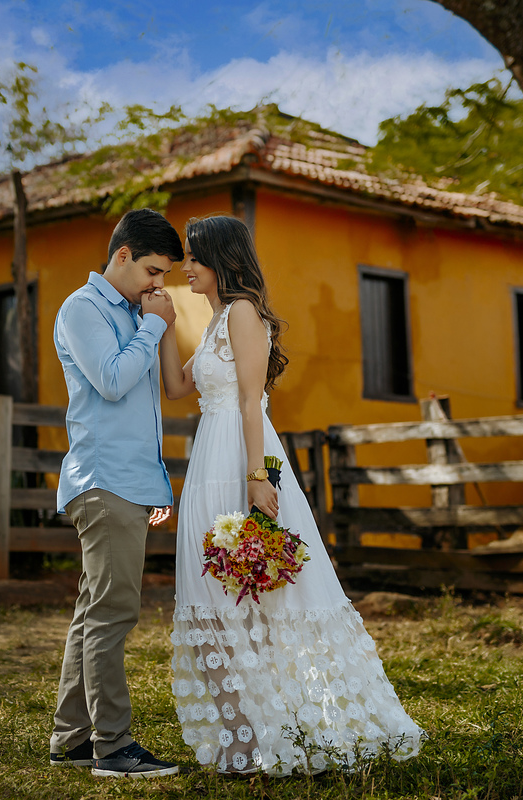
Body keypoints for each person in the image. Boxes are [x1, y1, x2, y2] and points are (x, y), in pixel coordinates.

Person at [158, 215, 424, 775]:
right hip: (207, 456)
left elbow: (253, 401)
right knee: (208, 597)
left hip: (240, 454)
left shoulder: (245, 314)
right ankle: (240, 738)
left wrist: (258, 478)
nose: (188, 267)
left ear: (222, 261)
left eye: (196, 258)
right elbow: (178, 387)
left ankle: (277, 727)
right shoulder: (211, 324)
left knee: (260, 596)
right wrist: (162, 325)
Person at [47, 208, 185, 779]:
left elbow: (150, 405)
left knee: (93, 613)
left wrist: (156, 487)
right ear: (123, 255)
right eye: (153, 270)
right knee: (113, 613)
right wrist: (154, 326)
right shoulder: (83, 309)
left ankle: (70, 738)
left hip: (126, 481)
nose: (159, 284)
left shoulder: (134, 312)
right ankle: (113, 747)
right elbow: (111, 381)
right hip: (102, 481)